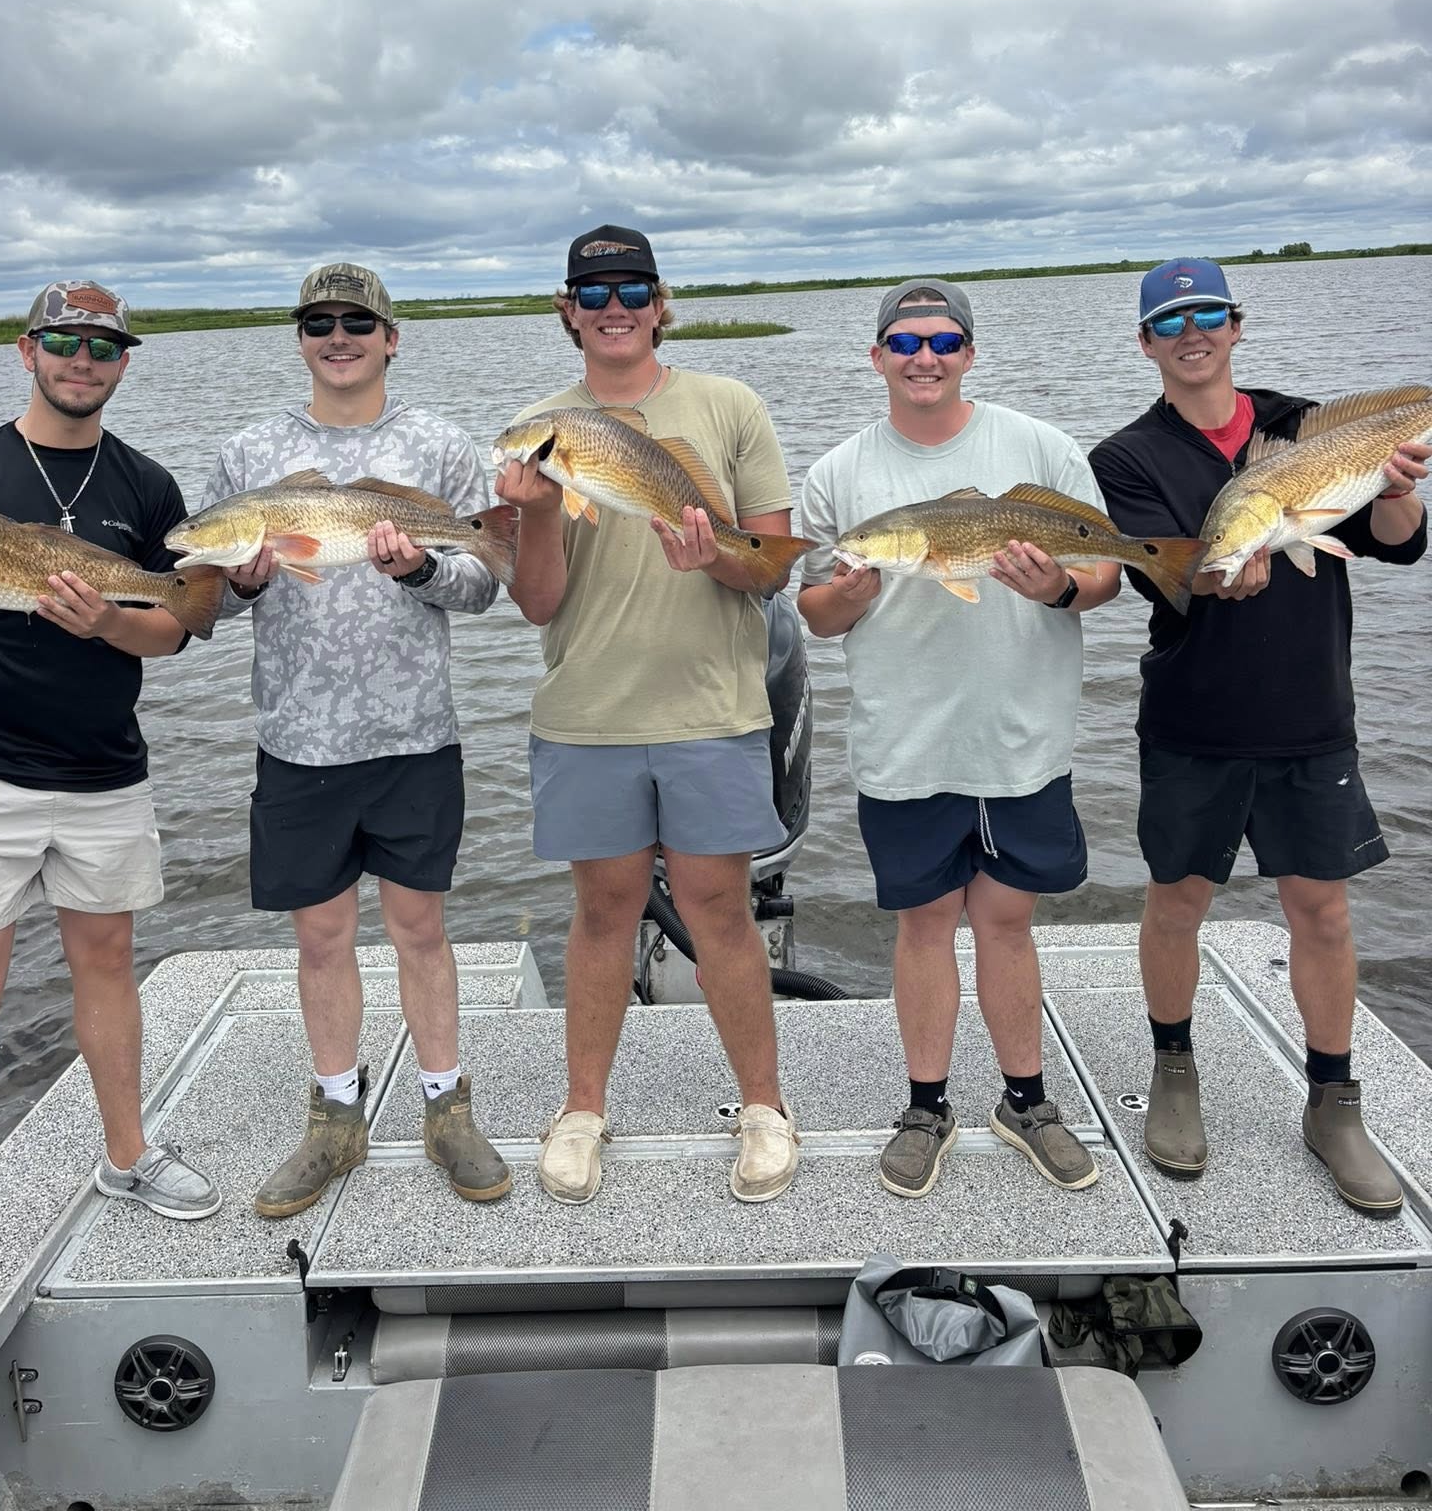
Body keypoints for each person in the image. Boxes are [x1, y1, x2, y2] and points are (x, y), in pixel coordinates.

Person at [0, 282, 220, 1333]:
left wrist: (104, 625)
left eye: (105, 346)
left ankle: (127, 1153)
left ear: (123, 361)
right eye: (66, 342)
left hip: (101, 768)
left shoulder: (147, 483)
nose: (84, 359)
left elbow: (172, 626)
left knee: (108, 962)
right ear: (27, 348)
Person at [1090, 257, 1427, 1214]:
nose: (1191, 333)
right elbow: (1175, 576)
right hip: (1194, 717)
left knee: (1322, 910)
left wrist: (1397, 480)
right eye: (1169, 321)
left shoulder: (1305, 422)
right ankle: (1174, 1073)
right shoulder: (1126, 457)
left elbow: (1394, 538)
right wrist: (1218, 570)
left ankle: (1333, 1102)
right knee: (1176, 902)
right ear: (1146, 342)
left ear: (1235, 327)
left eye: (1208, 315)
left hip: (1312, 711)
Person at [497, 224, 801, 1205]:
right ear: (567, 311)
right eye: (593, 292)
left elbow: (771, 566)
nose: (613, 306)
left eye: (632, 288)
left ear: (662, 302)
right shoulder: (539, 425)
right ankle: (581, 1108)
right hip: (588, 710)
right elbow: (537, 602)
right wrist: (538, 510)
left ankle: (763, 1105)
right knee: (601, 910)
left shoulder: (728, 406)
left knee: (721, 909)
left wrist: (711, 551)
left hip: (712, 706)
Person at [798, 279, 1120, 1199]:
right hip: (905, 742)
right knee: (925, 924)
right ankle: (926, 1105)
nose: (924, 358)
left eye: (943, 341)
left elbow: (1105, 574)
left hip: (1022, 736)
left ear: (969, 353)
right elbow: (816, 612)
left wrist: (1058, 587)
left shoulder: (1039, 447)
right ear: (877, 359)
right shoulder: (838, 473)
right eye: (904, 344)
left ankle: (1026, 1101)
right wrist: (850, 593)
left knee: (1008, 921)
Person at [205, 262, 510, 1217]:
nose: (338, 337)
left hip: (415, 732)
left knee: (420, 927)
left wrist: (423, 567)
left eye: (356, 322)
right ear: (300, 337)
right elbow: (207, 592)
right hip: (297, 738)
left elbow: (482, 584)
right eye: (318, 321)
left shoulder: (440, 447)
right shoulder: (249, 454)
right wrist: (245, 577)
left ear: (390, 336)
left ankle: (445, 1106)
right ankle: (335, 1117)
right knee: (323, 935)